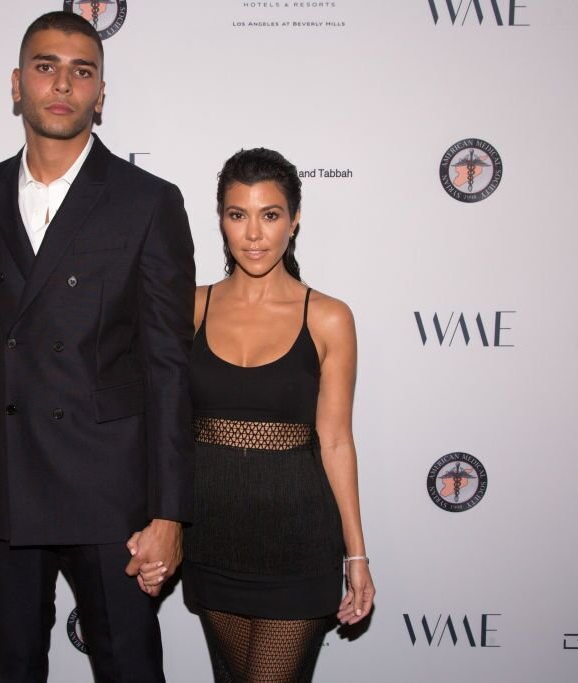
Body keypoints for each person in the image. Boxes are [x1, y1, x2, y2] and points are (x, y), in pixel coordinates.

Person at [0, 11, 195, 682]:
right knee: (12, 665)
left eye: (82, 72)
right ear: (17, 84)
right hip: (1, 483)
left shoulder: (147, 202)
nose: (62, 85)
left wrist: (170, 510)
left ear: (99, 95)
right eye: (46, 67)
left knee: (130, 667)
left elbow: (168, 366)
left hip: (112, 492)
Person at [141, 148, 375, 682]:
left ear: (294, 222)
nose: (253, 234)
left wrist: (356, 555)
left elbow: (336, 441)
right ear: (220, 219)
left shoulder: (329, 318)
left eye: (270, 215)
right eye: (237, 214)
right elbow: (159, 424)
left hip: (299, 541)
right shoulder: (188, 307)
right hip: (211, 535)